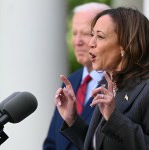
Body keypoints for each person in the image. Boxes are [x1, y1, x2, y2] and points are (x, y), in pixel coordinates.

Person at [54, 7, 149, 150]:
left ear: (125, 44)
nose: (90, 43)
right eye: (92, 35)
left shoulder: (145, 89)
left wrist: (113, 118)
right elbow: (99, 145)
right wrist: (72, 119)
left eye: (100, 36)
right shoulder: (108, 85)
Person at [43, 2, 110, 150]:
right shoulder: (70, 81)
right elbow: (51, 143)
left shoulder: (118, 84)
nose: (77, 41)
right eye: (74, 33)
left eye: (86, 33)